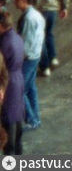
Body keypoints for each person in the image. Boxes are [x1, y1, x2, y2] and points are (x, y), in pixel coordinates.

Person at [27, 0, 68, 78]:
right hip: (53, 11)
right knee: (49, 33)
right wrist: (64, 7)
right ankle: (53, 57)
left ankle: (45, 67)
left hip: (40, 11)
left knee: (40, 38)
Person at [13, 0, 43, 130]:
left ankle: (31, 119)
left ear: (24, 1)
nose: (15, 2)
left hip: (28, 58)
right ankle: (35, 118)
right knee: (30, 88)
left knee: (19, 89)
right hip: (35, 55)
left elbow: (26, 41)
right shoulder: (36, 15)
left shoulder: (29, 19)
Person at [0, 10, 25, 154]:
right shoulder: (16, 37)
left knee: (8, 120)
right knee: (17, 118)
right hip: (18, 78)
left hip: (8, 82)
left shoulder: (5, 42)